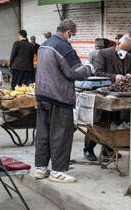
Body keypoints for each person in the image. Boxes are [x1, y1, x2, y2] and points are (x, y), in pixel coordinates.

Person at [34, 19, 94, 183]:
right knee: (60, 134)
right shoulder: (63, 47)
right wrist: (90, 68)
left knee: (43, 133)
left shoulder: (44, 44)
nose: (72, 37)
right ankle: (58, 171)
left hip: (42, 95)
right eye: (73, 34)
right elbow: (75, 72)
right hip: (58, 97)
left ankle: (41, 168)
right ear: (68, 32)